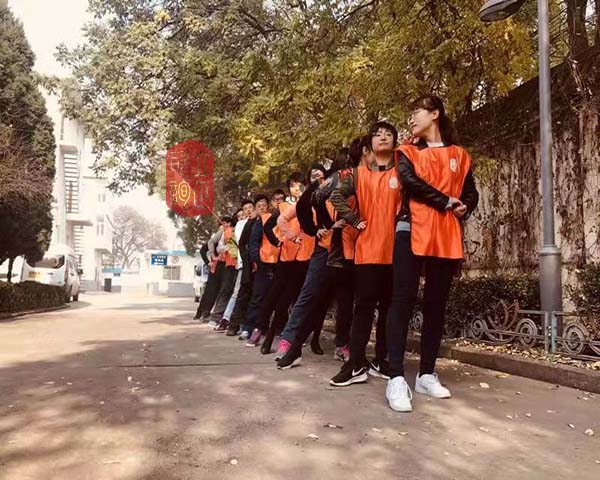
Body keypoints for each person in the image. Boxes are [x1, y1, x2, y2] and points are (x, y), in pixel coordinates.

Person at [385, 95, 478, 413]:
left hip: (446, 232)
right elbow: (410, 183)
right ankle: (395, 376)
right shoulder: (406, 151)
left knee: (437, 303)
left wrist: (465, 206)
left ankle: (426, 373)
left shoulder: (460, 155)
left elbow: (470, 191)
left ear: (435, 113)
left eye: (417, 112)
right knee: (402, 299)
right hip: (410, 228)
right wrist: (446, 201)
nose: (411, 118)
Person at [328, 121, 400, 387]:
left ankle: (382, 360)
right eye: (377, 135)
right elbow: (336, 196)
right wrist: (354, 219)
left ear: (395, 142)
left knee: (389, 309)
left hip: (396, 251)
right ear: (369, 144)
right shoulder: (358, 175)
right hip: (367, 250)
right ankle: (355, 362)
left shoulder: (402, 172)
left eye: (388, 134)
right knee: (364, 308)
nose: (383, 138)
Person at [245, 171, 313, 350]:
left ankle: (285, 335)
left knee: (291, 299)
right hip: (285, 258)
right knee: (273, 296)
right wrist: (278, 242)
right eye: (292, 185)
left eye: (299, 184)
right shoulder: (283, 207)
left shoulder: (311, 204)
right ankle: (259, 329)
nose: (296, 188)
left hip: (304, 258)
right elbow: (268, 227)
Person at [240, 189, 285, 340]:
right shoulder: (263, 219)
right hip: (264, 263)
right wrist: (256, 261)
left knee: (278, 298)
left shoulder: (287, 217)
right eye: (275, 199)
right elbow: (253, 243)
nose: (278, 202)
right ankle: (248, 327)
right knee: (258, 296)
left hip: (280, 263)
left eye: (281, 199)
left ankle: (275, 328)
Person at [226, 195, 270, 336]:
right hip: (248, 265)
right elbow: (242, 244)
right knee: (243, 295)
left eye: (251, 207)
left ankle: (259, 326)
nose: (250, 210)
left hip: (265, 264)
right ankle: (234, 325)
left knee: (260, 296)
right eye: (258, 206)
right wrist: (249, 263)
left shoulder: (269, 219)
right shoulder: (246, 223)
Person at [215, 200, 255, 332]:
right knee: (237, 292)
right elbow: (238, 243)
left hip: (258, 262)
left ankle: (247, 324)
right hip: (243, 263)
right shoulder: (240, 225)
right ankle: (226, 319)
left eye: (250, 207)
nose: (248, 210)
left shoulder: (259, 221)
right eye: (245, 208)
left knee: (252, 294)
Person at [206, 216, 238, 328]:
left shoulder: (239, 230)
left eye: (227, 223)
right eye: (223, 223)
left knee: (236, 293)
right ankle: (216, 317)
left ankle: (231, 319)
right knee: (225, 290)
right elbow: (218, 247)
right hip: (229, 264)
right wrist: (228, 247)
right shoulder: (225, 232)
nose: (225, 225)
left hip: (241, 265)